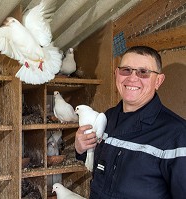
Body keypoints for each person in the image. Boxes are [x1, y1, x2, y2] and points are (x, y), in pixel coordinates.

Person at [75, 46, 186, 199]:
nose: (132, 78)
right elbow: (99, 165)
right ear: (116, 74)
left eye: (143, 72)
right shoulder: (108, 118)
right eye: (126, 70)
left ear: (158, 81)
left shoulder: (178, 135)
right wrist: (81, 149)